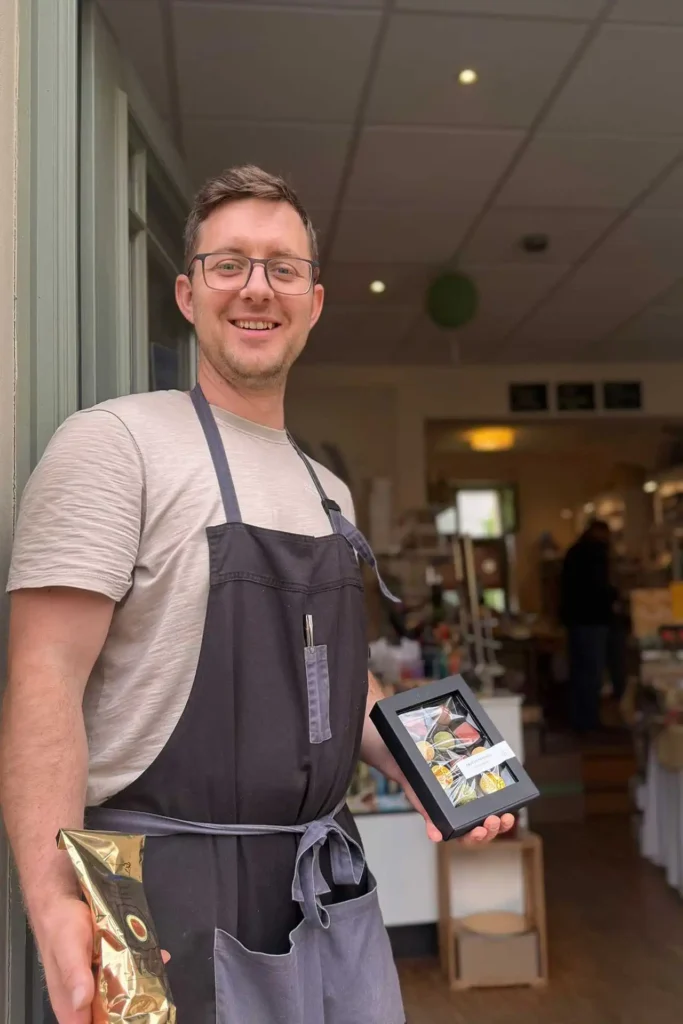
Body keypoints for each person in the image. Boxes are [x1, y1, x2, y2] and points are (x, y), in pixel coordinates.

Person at [0, 164, 514, 1024]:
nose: (255, 289)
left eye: (282, 268)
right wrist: (55, 899)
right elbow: (42, 675)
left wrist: (439, 774)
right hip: (150, 887)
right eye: (228, 264)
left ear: (313, 301)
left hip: (321, 879)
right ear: (187, 291)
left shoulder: (327, 492)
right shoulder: (112, 445)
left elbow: (329, 691)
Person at [559, 518, 622, 733]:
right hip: (595, 619)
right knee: (592, 673)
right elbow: (600, 588)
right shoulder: (597, 554)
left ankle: (579, 719)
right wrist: (615, 596)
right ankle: (589, 721)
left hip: (576, 620)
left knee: (579, 671)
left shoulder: (574, 552)